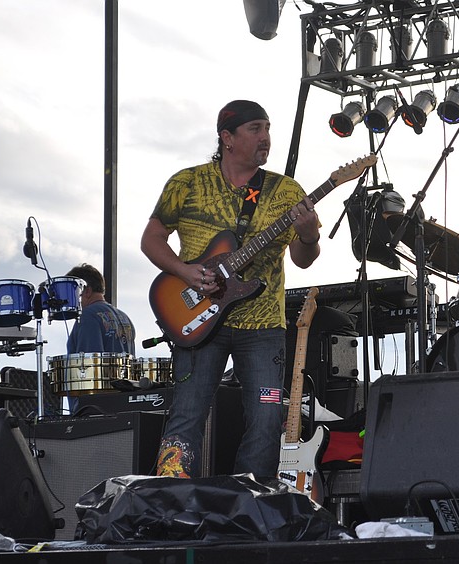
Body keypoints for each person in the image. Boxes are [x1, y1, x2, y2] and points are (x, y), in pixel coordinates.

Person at [140, 100, 320, 478]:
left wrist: (308, 236)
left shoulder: (285, 191)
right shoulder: (187, 183)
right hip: (196, 320)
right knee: (186, 415)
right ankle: (171, 505)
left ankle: (247, 504)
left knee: (267, 419)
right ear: (227, 138)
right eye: (255, 129)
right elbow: (152, 238)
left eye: (267, 128)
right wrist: (185, 271)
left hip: (264, 326)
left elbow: (304, 259)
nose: (265, 137)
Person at [65, 263, 136, 413]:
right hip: (124, 407)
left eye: (73, 293)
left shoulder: (87, 316)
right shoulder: (125, 317)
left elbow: (88, 368)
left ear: (87, 291)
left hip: (96, 411)